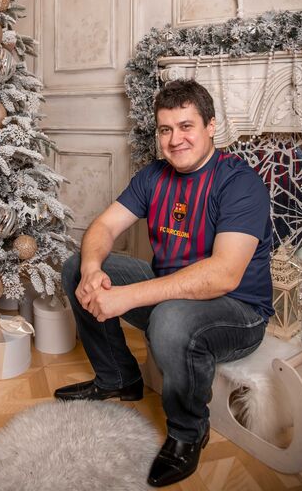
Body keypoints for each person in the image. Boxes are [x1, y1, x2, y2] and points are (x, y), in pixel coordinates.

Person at [54, 79, 273, 487]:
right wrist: (92, 269)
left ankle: (188, 431)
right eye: (165, 129)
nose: (175, 140)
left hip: (239, 310)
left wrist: (126, 297)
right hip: (170, 288)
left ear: (211, 126)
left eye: (186, 126)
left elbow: (223, 274)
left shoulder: (239, 183)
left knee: (170, 318)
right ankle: (118, 377)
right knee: (76, 267)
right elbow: (104, 226)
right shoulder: (154, 176)